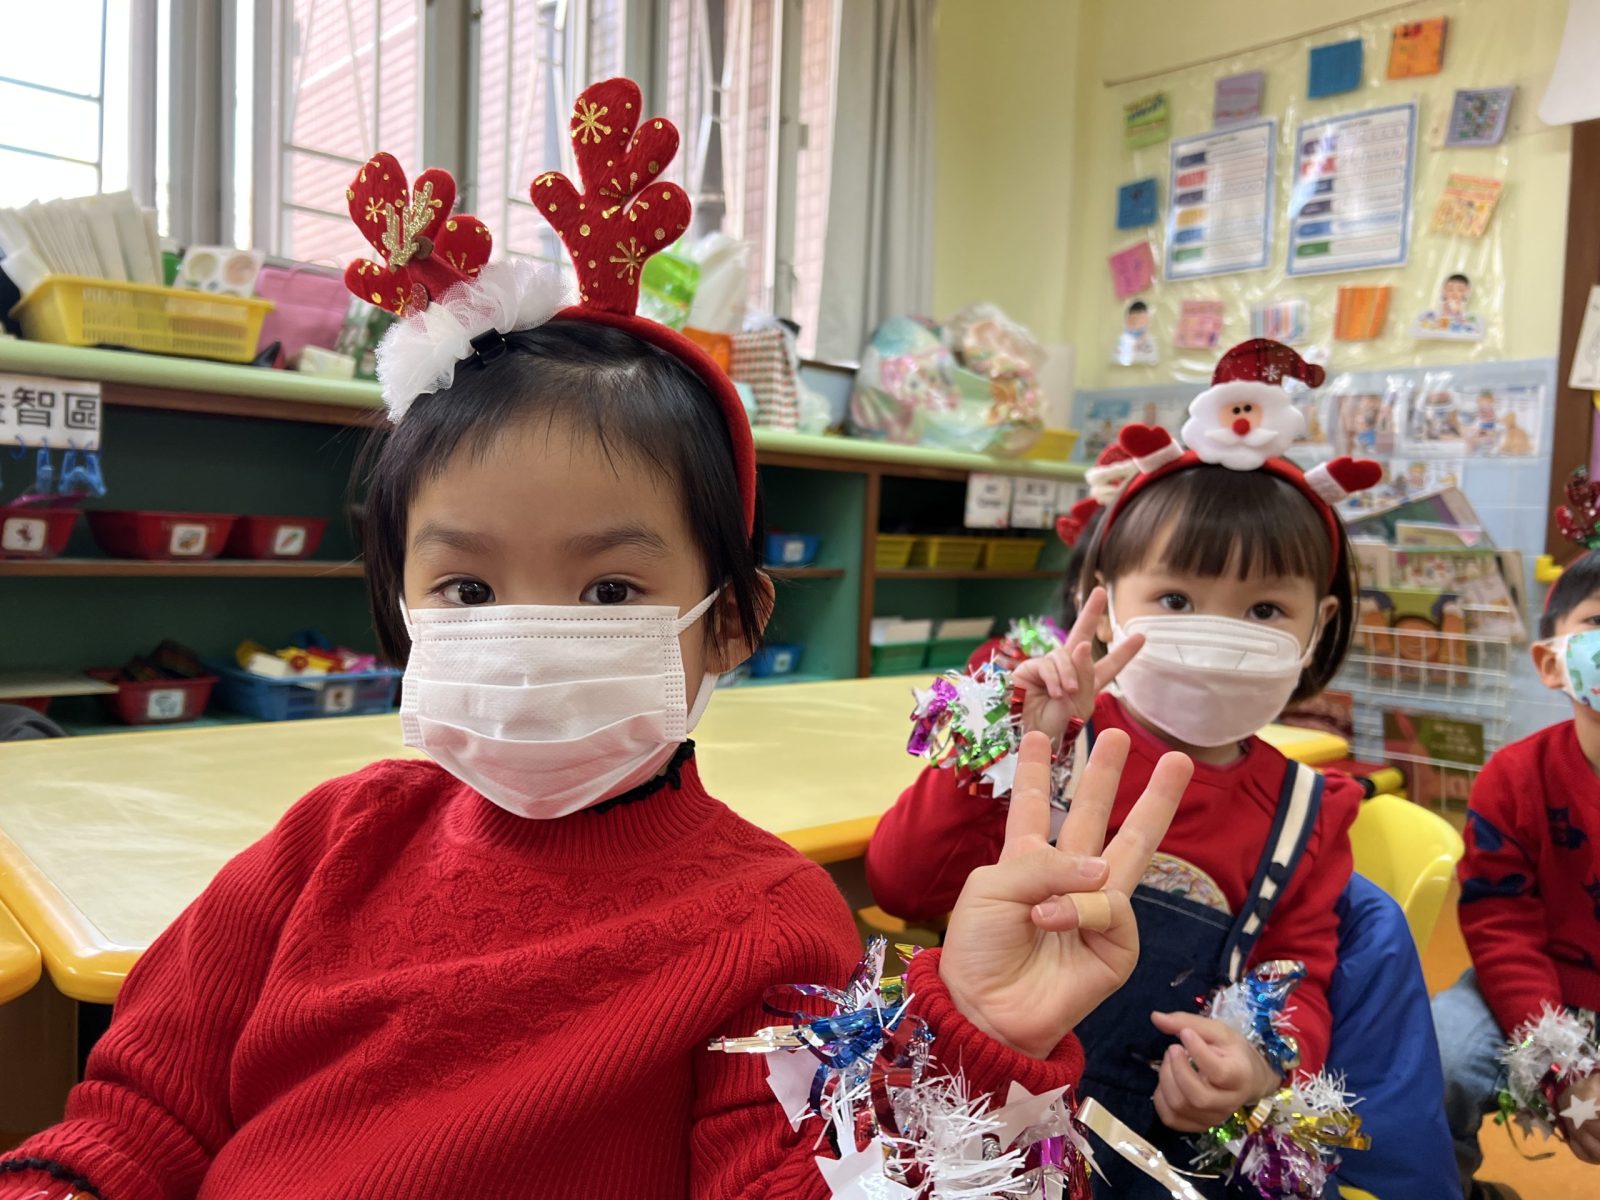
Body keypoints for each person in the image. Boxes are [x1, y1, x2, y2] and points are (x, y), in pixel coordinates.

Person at [0, 78, 1196, 1200]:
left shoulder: (770, 925)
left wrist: (971, 1041)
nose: (528, 637)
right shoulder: (330, 844)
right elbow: (137, 1121)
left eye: (611, 588)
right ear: (399, 604)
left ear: (730, 624)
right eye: (467, 588)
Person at [869, 340, 1382, 1197]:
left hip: (1159, 1151)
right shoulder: (1042, 730)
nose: (1219, 635)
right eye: (1175, 600)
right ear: (1101, 603)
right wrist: (1010, 747)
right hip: (988, 1118)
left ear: (1318, 624)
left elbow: (1297, 975)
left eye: (1264, 610)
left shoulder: (1308, 810)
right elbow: (901, 882)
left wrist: (1257, 1062)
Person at [1433, 549, 1600, 1200]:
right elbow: (1501, 928)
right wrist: (1562, 1069)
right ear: (1552, 662)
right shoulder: (1514, 778)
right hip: (1532, 988)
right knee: (1438, 1054)